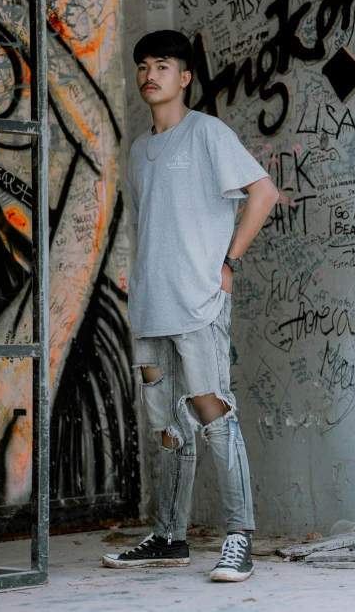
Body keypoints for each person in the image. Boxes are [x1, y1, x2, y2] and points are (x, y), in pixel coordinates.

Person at [102, 30, 278, 582]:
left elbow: (264, 192)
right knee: (167, 427)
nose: (150, 74)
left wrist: (229, 260)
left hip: (199, 302)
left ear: (184, 77)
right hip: (150, 307)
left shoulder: (205, 132)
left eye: (163, 65)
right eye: (143, 66)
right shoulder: (139, 149)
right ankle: (169, 537)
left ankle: (237, 537)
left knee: (212, 413)